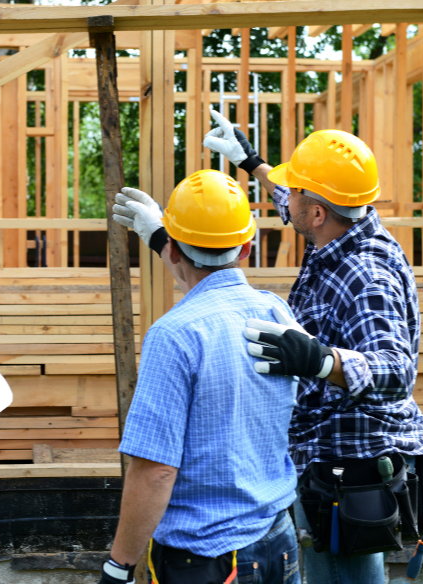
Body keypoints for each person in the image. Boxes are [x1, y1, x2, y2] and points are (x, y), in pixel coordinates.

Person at [203, 110, 423, 583]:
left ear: (320, 212)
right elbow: (291, 200)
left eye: (300, 192)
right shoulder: (338, 226)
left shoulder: (365, 275)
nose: (290, 200)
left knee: (345, 575)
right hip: (323, 455)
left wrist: (321, 360)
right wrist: (252, 162)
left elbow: (395, 371)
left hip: (351, 465)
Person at [99, 169, 300, 584]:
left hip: (206, 560)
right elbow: (212, 281)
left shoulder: (175, 335)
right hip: (277, 541)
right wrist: (161, 236)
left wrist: (118, 565)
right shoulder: (276, 313)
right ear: (247, 247)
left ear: (172, 250)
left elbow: (155, 470)